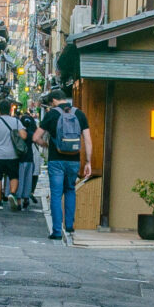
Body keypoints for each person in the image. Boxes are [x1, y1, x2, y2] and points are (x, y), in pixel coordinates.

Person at [38, 92, 92, 241]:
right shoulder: (79, 114)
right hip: (74, 160)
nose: (50, 105)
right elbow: (87, 139)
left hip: (56, 160)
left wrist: (47, 144)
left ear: (54, 100)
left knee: (55, 194)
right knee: (70, 190)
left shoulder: (51, 115)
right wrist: (88, 162)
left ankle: (56, 231)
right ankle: (69, 225)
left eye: (50, 103)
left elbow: (36, 137)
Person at [0, 102, 24, 210]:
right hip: (13, 155)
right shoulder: (16, 121)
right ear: (10, 110)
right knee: (14, 176)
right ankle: (12, 193)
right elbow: (24, 135)